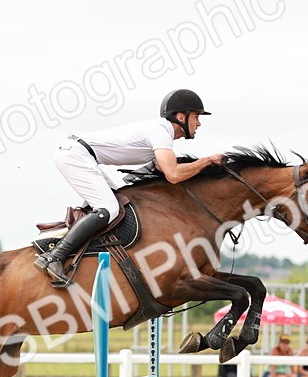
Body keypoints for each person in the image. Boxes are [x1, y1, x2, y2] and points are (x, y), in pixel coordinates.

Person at [34, 89, 225, 284]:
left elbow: (162, 173)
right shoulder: (161, 131)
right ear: (181, 116)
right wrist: (207, 161)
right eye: (197, 116)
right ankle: (54, 256)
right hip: (75, 155)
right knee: (109, 208)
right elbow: (173, 174)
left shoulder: (161, 135)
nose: (199, 123)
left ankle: (69, 247)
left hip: (81, 155)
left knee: (116, 204)